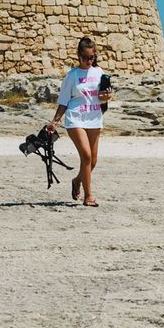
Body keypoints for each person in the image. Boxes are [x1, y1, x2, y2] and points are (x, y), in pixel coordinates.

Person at [47, 36, 113, 207]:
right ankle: (88, 196)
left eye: (91, 57)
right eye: (85, 57)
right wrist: (55, 122)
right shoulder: (72, 76)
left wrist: (107, 97)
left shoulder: (99, 73)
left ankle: (77, 181)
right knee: (86, 156)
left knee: (93, 161)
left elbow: (104, 97)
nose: (88, 61)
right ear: (78, 56)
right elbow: (63, 101)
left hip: (94, 118)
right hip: (75, 118)